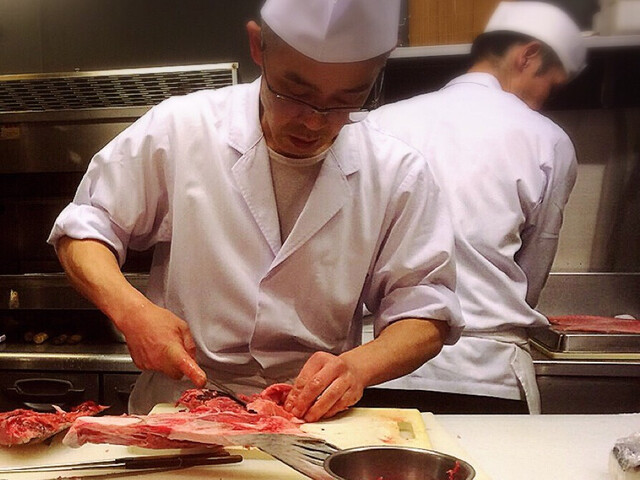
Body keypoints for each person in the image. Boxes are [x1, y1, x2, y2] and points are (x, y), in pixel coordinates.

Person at [47, 0, 464, 420]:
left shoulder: (397, 172)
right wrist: (131, 311)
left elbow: (425, 310)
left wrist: (357, 368)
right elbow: (84, 230)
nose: (314, 122)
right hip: (180, 411)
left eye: (346, 100)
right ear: (257, 46)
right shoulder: (182, 129)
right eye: (295, 93)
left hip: (310, 419)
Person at [361, 1, 586, 414]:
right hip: (486, 377)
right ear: (528, 55)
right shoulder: (548, 140)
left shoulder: (378, 124)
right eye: (549, 84)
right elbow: (532, 271)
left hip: (379, 368)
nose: (543, 99)